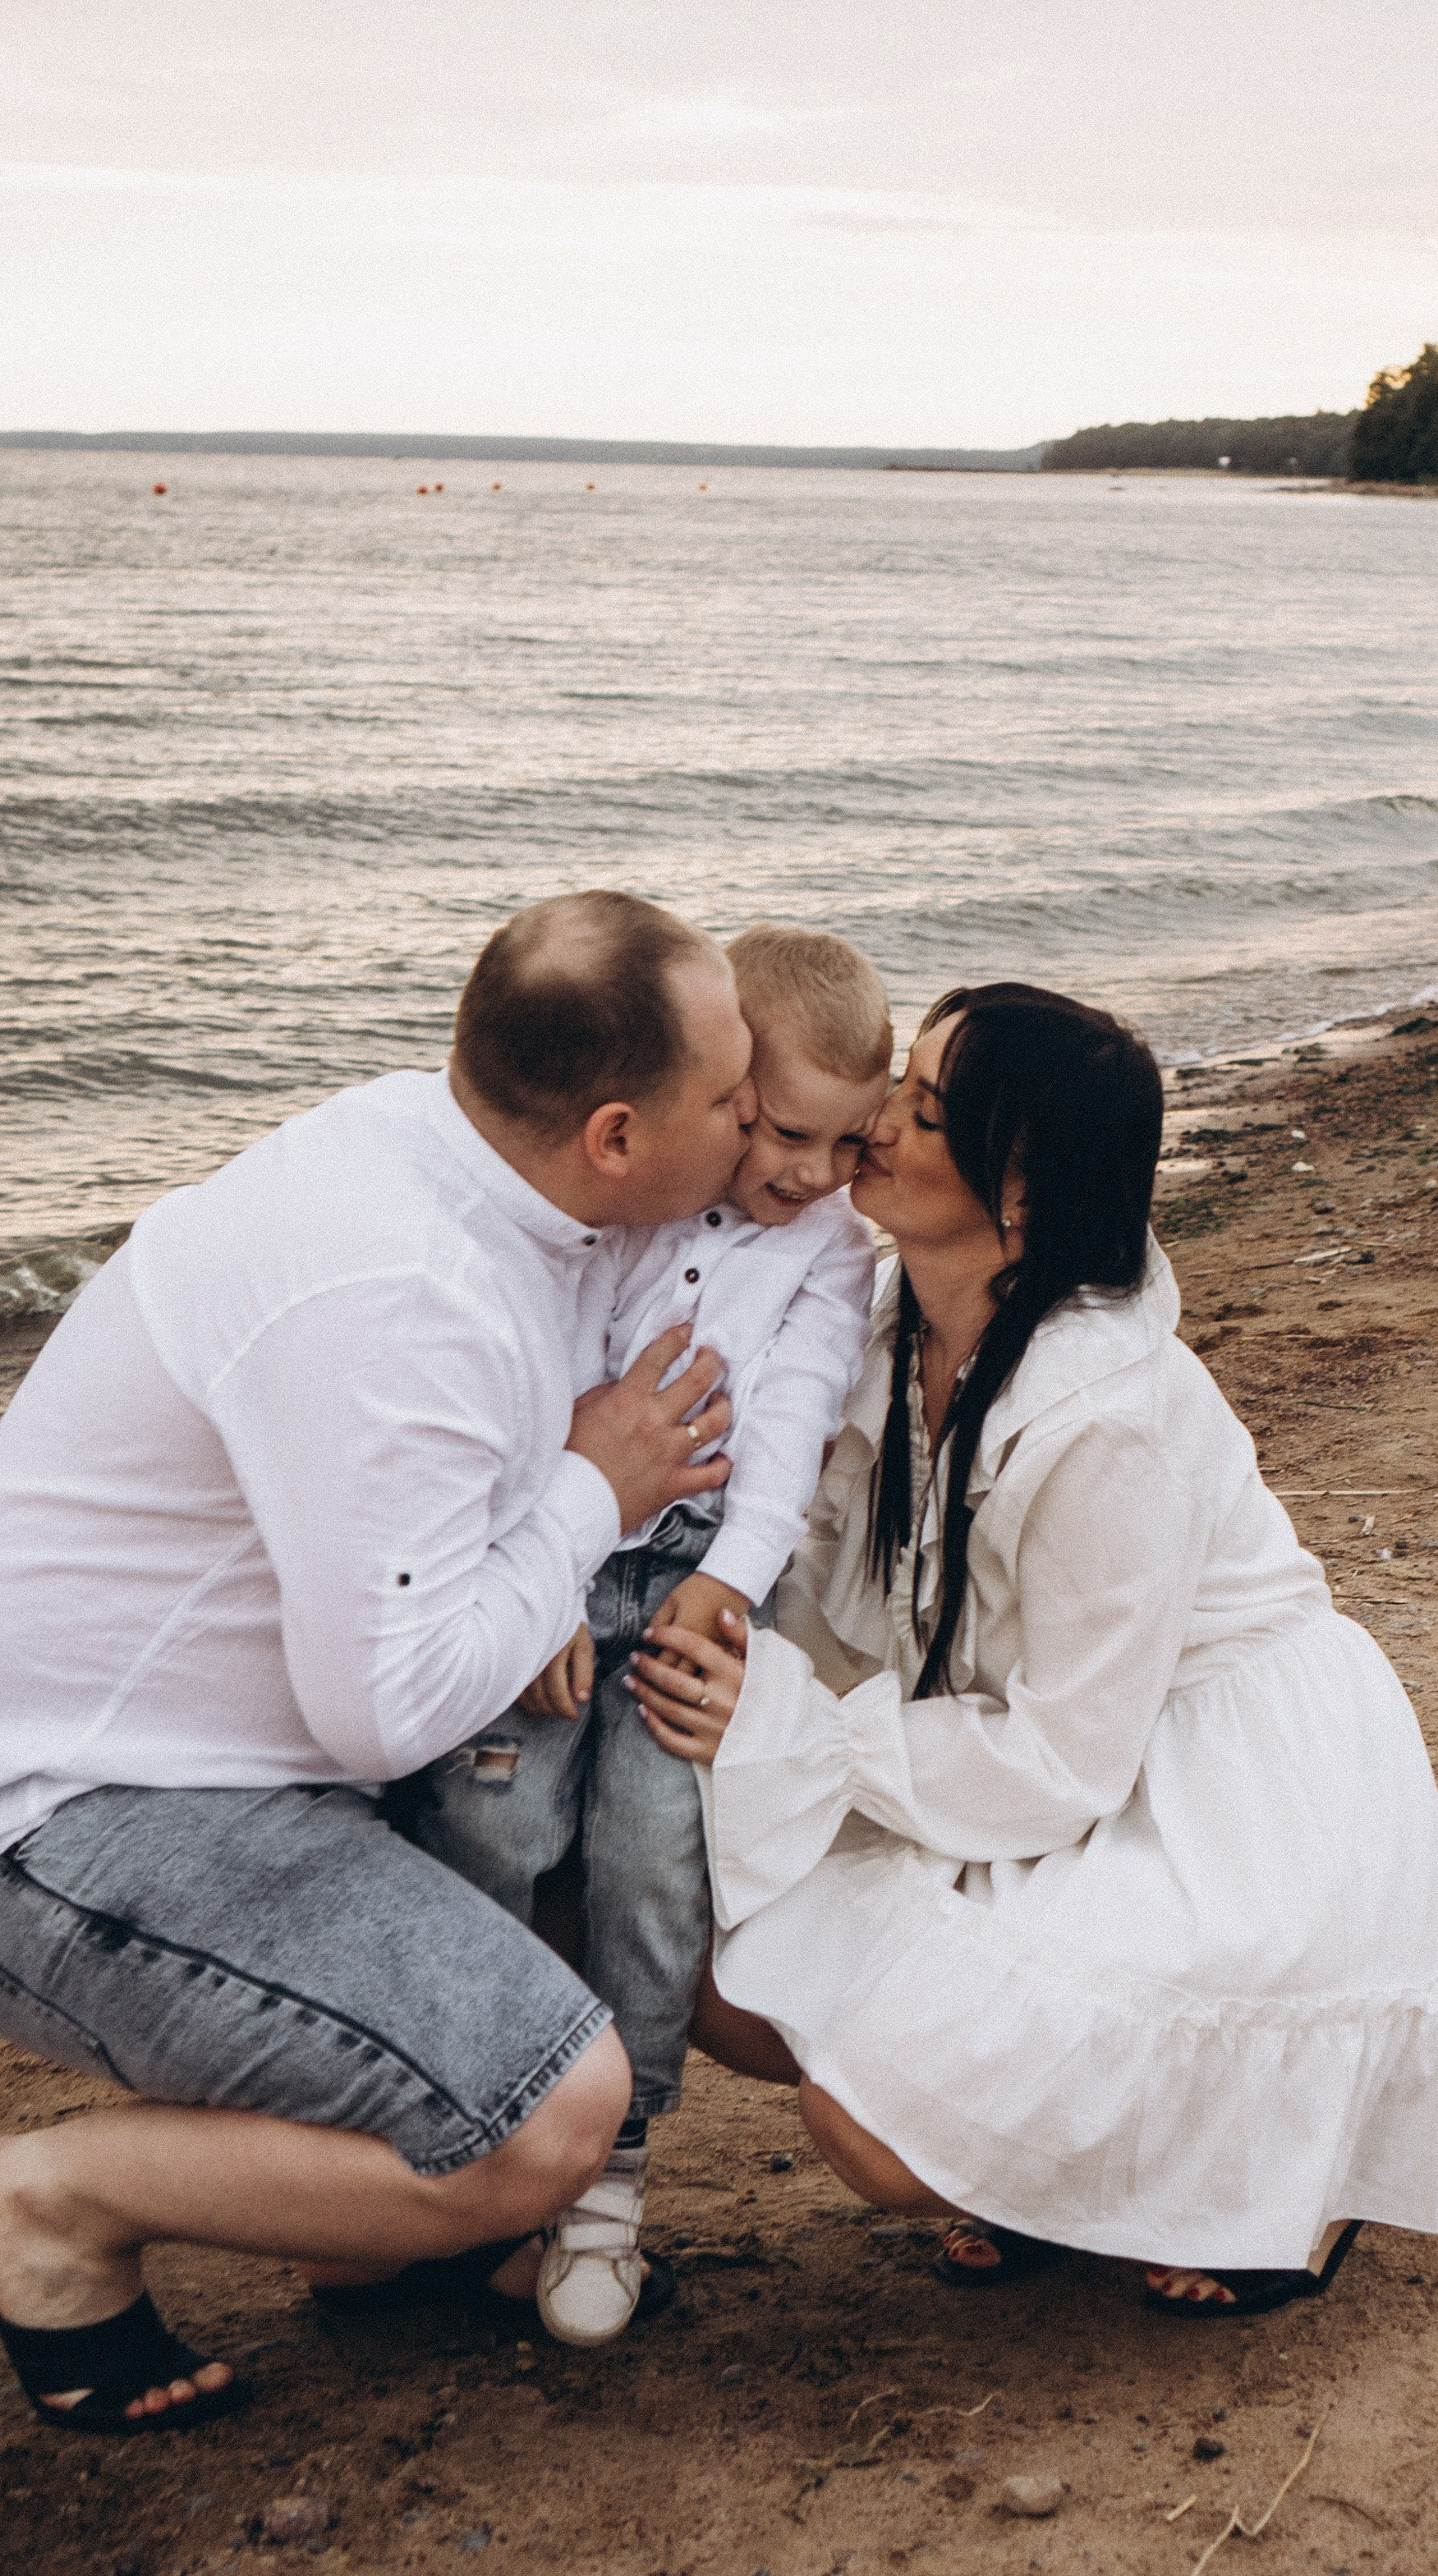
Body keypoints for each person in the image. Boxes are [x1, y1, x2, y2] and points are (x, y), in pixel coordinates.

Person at [632, 984, 1438, 2317]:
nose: (873, 1121)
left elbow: (1065, 1757)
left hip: (1222, 1794)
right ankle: (1055, 2173)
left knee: (870, 2133)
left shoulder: (1108, 1414)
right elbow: (852, 1589)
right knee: (722, 1973)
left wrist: (798, 1736)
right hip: (1036, 1738)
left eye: (926, 1111)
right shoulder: (893, 1317)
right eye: (903, 1084)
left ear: (1025, 1195)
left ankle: (1280, 2185)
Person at [0, 891, 750, 2433]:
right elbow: (386, 1707)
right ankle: (49, 2206)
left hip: (235, 1757)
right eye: (734, 1101)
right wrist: (594, 1493)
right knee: (551, 2114)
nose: (756, 1125)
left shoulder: (464, 1159)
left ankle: (385, 2236)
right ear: (614, 1136)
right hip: (84, 1810)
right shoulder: (401, 1294)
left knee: (597, 1869)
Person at [414, 924, 889, 2347]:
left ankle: (611, 2181)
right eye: (781, 1130)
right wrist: (545, 1583)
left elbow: (795, 1419)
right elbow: (544, 1374)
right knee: (492, 1824)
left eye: (847, 1145)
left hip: (696, 1570)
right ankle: (463, 2113)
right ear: (726, 1087)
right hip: (558, 1550)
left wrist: (734, 1579)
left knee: (650, 1859)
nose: (807, 1172)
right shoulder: (638, 1204)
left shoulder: (830, 1252)